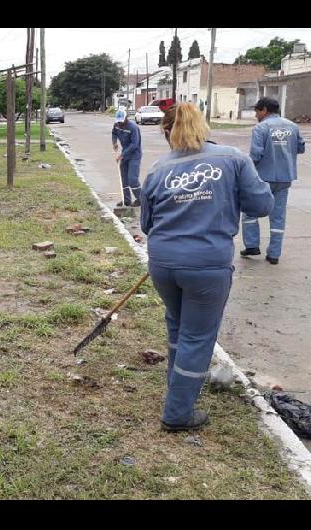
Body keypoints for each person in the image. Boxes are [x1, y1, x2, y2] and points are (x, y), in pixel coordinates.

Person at [140, 103, 273, 432]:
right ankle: (177, 413)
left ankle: (177, 388)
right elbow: (262, 204)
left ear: (166, 132)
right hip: (206, 265)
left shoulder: (158, 170)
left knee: (178, 325)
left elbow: (146, 223)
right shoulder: (232, 159)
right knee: (197, 336)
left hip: (163, 263)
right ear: (204, 126)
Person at [240, 97, 306, 265]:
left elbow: (256, 155)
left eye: (257, 111)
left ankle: (252, 245)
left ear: (264, 110)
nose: (256, 115)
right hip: (285, 177)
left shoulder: (261, 128)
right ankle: (274, 254)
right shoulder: (293, 126)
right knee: (278, 216)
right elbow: (301, 148)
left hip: (263, 178)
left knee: (250, 211)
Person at [111, 108, 143, 207]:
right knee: (123, 179)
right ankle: (126, 200)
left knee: (132, 179)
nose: (120, 123)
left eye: (121, 121)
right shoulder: (116, 125)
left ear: (126, 118)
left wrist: (122, 155)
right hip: (124, 155)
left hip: (134, 156)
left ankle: (140, 199)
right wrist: (115, 142)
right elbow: (114, 133)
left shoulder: (133, 127)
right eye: (118, 121)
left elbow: (135, 144)